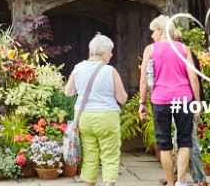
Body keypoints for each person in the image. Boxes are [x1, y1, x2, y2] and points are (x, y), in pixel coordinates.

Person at [138, 16, 201, 186]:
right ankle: (181, 181)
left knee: (163, 144)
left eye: (153, 32)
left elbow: (143, 79)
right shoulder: (184, 49)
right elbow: (193, 77)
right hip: (183, 98)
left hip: (160, 100)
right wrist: (198, 101)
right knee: (185, 141)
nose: (152, 36)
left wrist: (142, 103)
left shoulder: (150, 50)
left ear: (160, 31)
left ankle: (171, 183)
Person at [64, 33, 129, 186]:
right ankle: (108, 183)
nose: (111, 54)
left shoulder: (78, 68)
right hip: (107, 117)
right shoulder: (110, 71)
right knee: (110, 155)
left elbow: (68, 92)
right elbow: (122, 98)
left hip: (84, 117)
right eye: (110, 51)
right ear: (104, 52)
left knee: (90, 155)